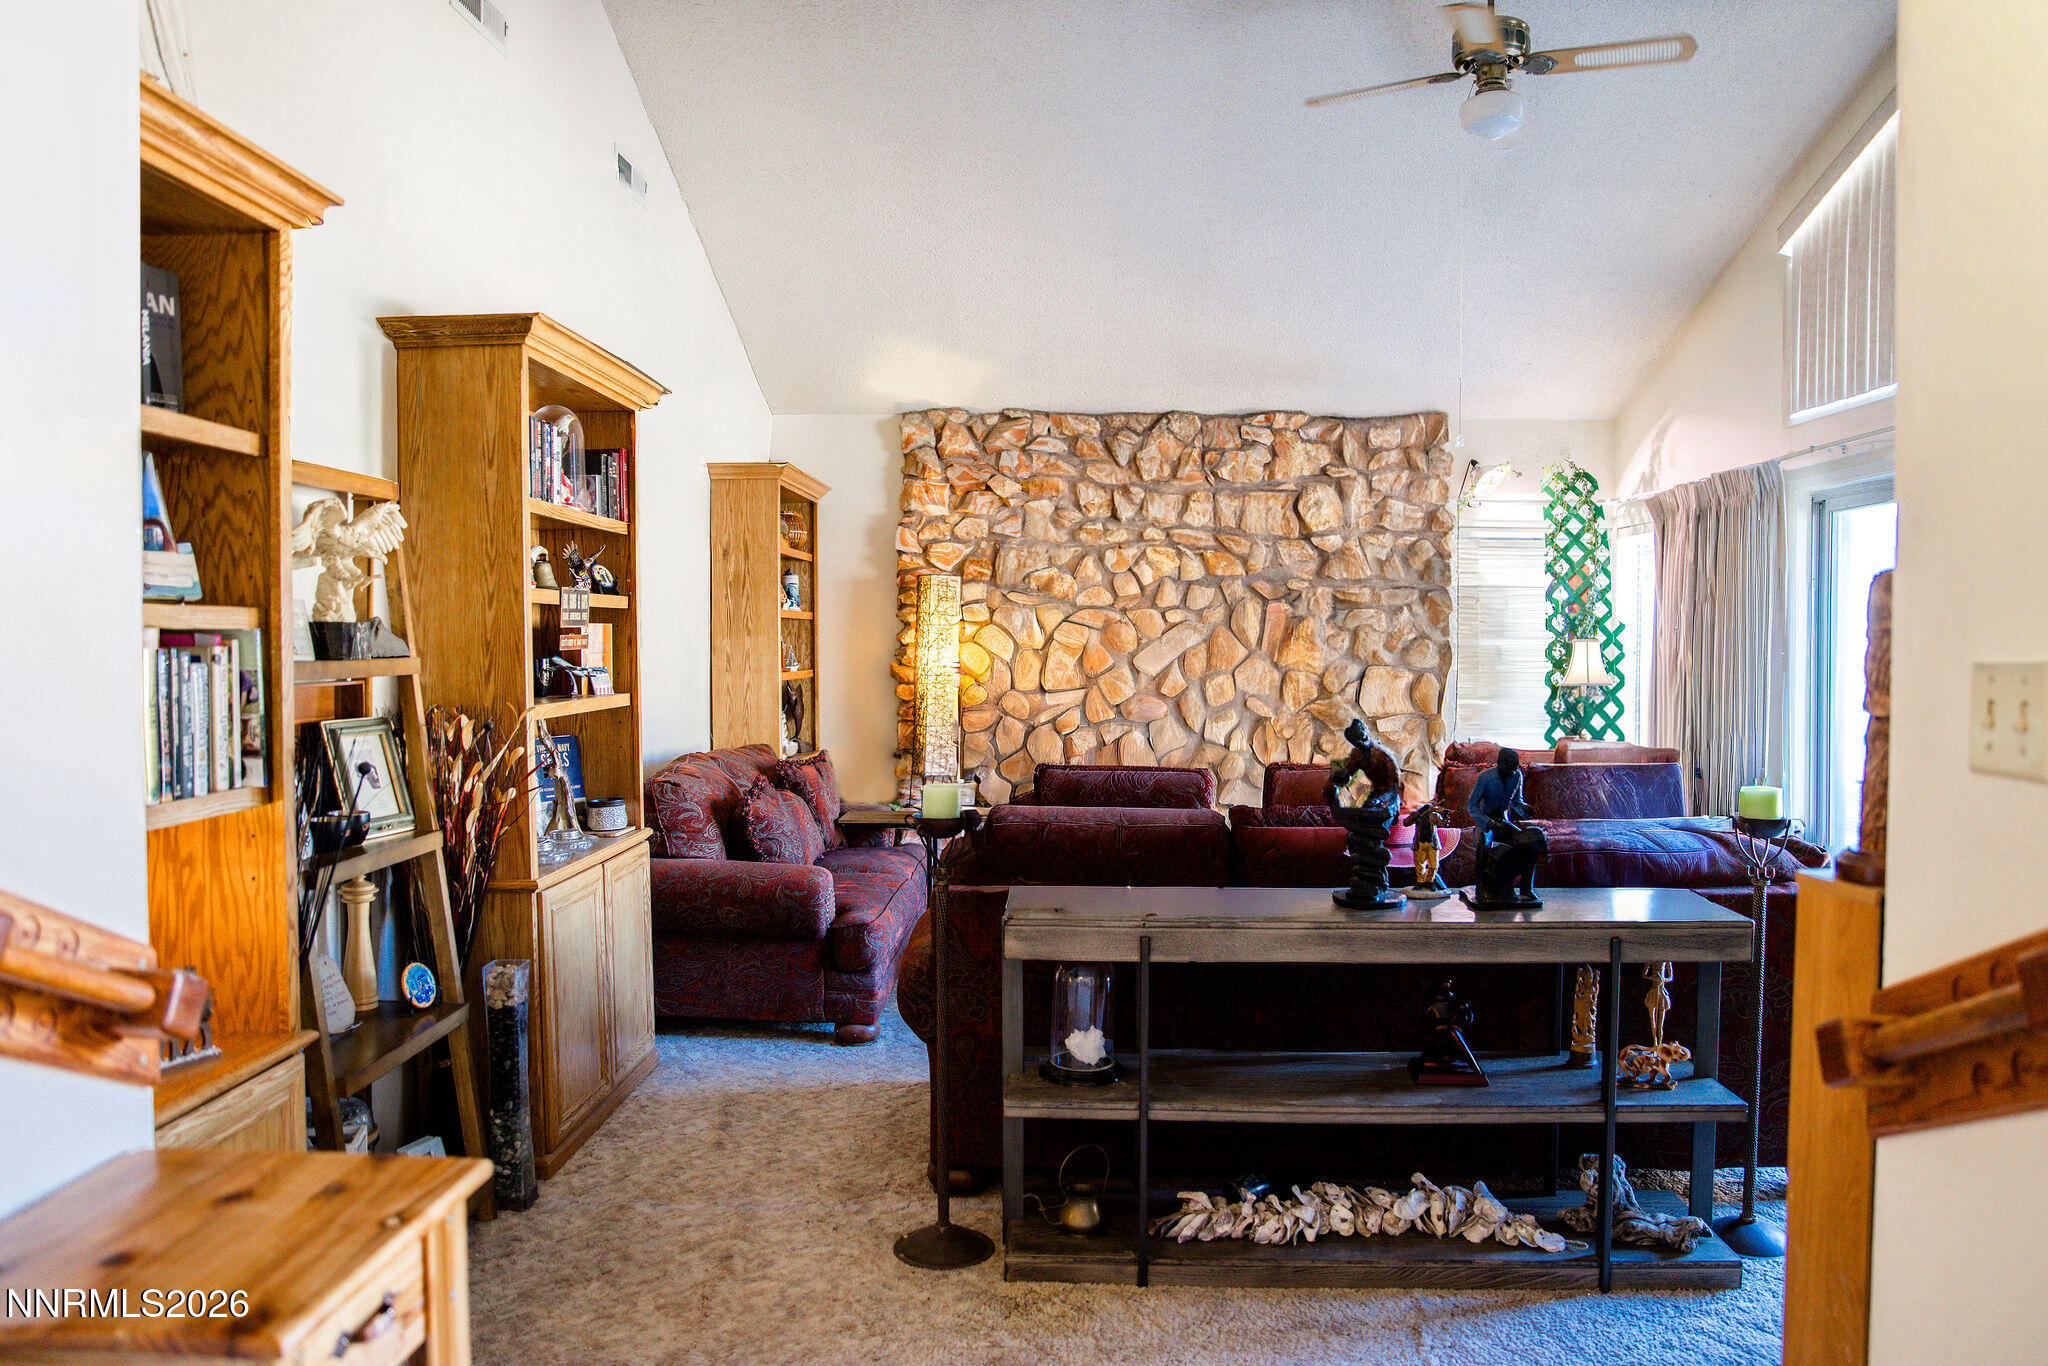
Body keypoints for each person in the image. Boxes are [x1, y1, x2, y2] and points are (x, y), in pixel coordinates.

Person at [1463, 747, 1547, 907]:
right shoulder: (1485, 778)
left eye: (1516, 766)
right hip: (1486, 822)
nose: (1514, 770)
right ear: (1500, 764)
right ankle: (1480, 888)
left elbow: (1517, 802)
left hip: (1503, 821)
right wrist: (1486, 822)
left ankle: (1526, 889)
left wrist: (1525, 809)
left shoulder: (1517, 776)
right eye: (1511, 766)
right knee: (1483, 845)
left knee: (1529, 844)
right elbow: (1472, 806)